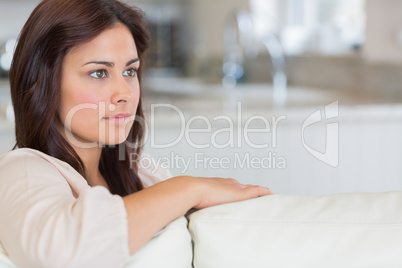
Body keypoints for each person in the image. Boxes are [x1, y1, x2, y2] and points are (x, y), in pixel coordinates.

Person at [0, 0, 274, 267]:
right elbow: (61, 253)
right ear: (43, 81)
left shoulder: (142, 171)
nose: (126, 93)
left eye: (130, 70)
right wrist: (189, 187)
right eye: (98, 73)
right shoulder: (21, 169)